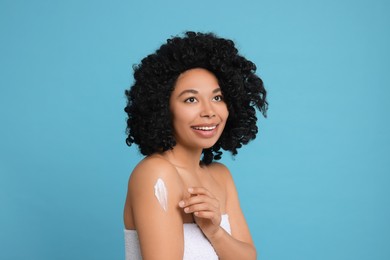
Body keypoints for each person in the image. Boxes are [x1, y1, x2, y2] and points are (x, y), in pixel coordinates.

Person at [123, 31, 267, 260]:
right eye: (191, 99)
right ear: (163, 108)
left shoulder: (221, 176)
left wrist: (214, 231)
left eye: (217, 97)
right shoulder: (155, 174)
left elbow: (248, 256)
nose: (209, 111)